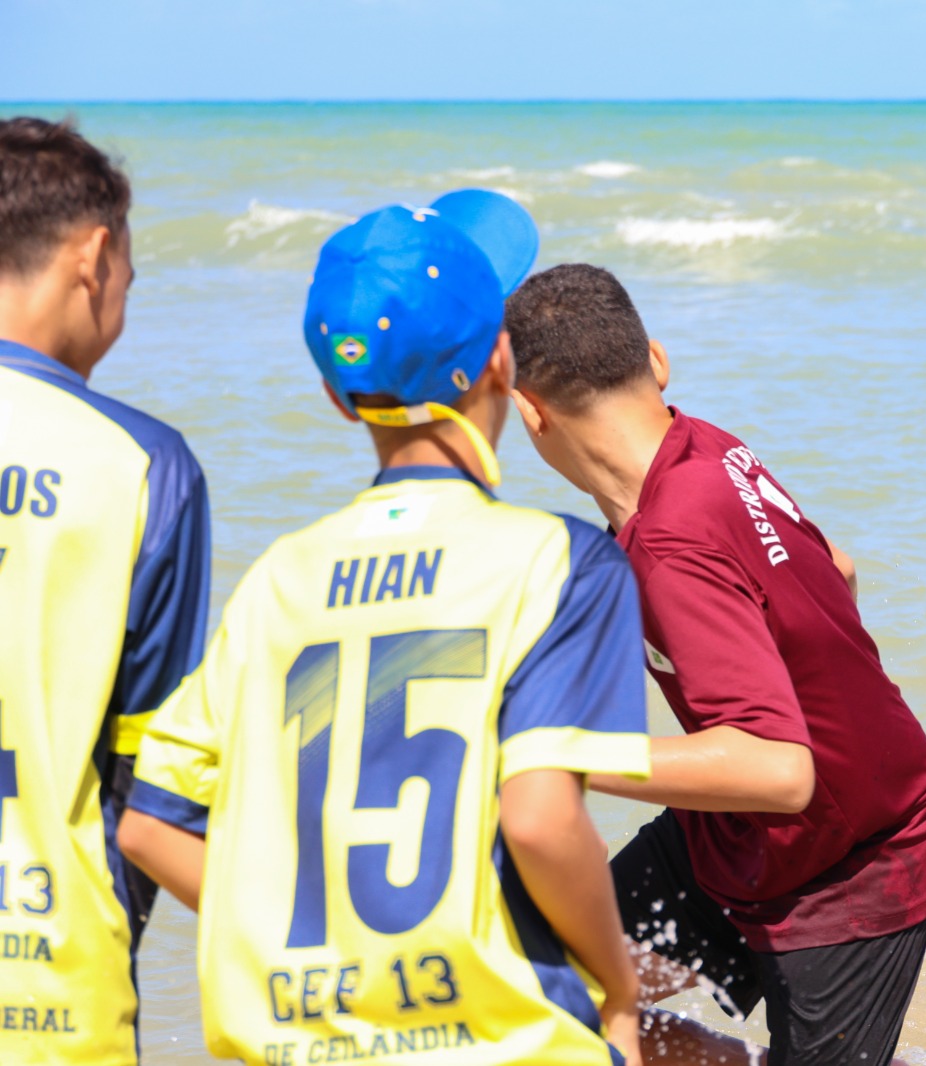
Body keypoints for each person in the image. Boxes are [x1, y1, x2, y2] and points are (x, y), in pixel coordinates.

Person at [116, 191, 649, 1066]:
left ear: (338, 398)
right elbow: (540, 822)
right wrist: (617, 989)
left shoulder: (278, 579)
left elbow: (148, 825)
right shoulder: (557, 561)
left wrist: (302, 947)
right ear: (502, 362)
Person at [503, 264, 926, 1066]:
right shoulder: (708, 447)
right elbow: (837, 569)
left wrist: (550, 752)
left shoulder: (669, 544)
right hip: (735, 835)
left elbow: (779, 770)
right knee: (533, 994)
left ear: (530, 411)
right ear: (657, 360)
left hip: (859, 861)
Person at [0, 116, 211, 1065]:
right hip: (45, 980)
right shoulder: (140, 464)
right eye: (129, 269)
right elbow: (148, 782)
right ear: (92, 257)